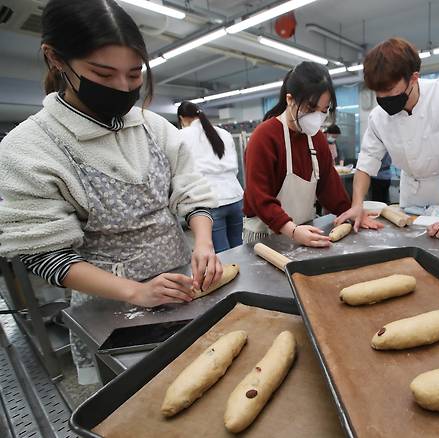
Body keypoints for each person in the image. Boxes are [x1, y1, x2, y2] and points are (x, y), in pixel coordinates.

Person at [0, 0, 221, 384]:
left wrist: (203, 241)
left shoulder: (154, 128)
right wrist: (135, 292)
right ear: (55, 59)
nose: (123, 88)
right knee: (136, 393)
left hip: (184, 286)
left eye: (134, 75)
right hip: (112, 307)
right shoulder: (32, 147)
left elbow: (192, 191)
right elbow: (44, 255)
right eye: (103, 74)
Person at [336, 37, 439, 239]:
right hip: (411, 192)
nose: (384, 99)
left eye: (390, 91)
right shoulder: (378, 117)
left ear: (413, 78)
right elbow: (366, 162)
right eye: (378, 94)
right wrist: (357, 205)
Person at [242, 62, 377, 247]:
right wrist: (292, 230)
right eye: (310, 108)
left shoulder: (317, 138)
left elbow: (329, 186)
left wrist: (350, 212)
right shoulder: (264, 137)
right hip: (265, 238)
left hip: (304, 232)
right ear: (290, 100)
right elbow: (258, 197)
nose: (317, 117)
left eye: (323, 110)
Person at [178, 101, 244, 253]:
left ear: (182, 118)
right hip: (235, 198)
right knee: (239, 249)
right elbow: (234, 169)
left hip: (210, 202)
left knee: (223, 256)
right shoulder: (224, 134)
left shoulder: (181, 136)